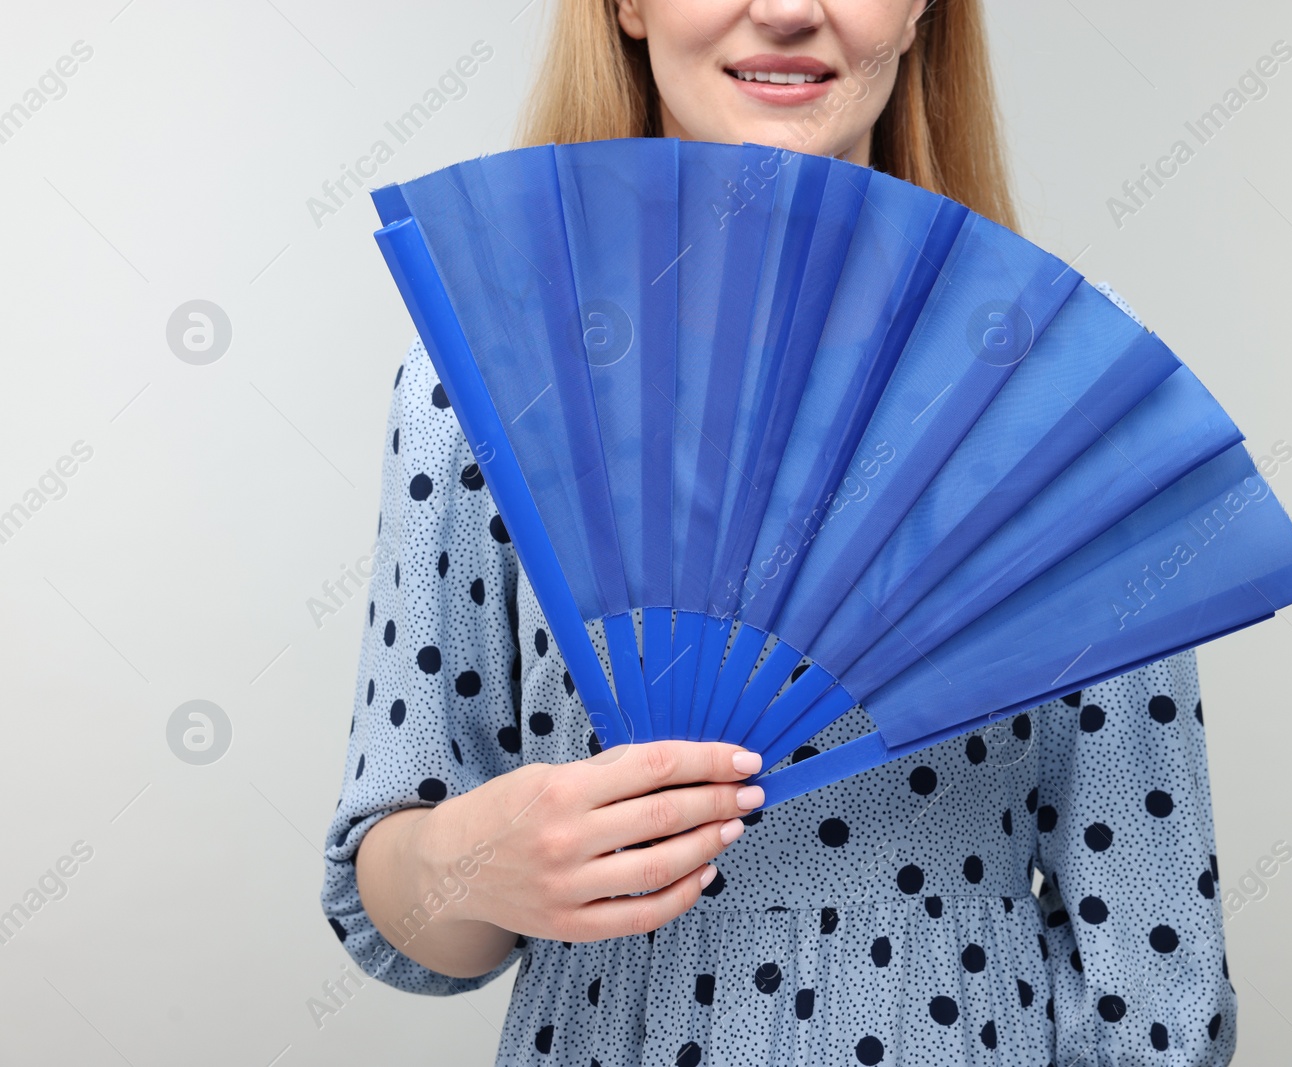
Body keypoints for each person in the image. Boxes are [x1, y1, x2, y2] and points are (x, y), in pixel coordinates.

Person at [321, 1, 1237, 1063]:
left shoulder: (1058, 380)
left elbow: (1153, 970)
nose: (791, 9)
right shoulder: (479, 379)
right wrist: (479, 854)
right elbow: (387, 896)